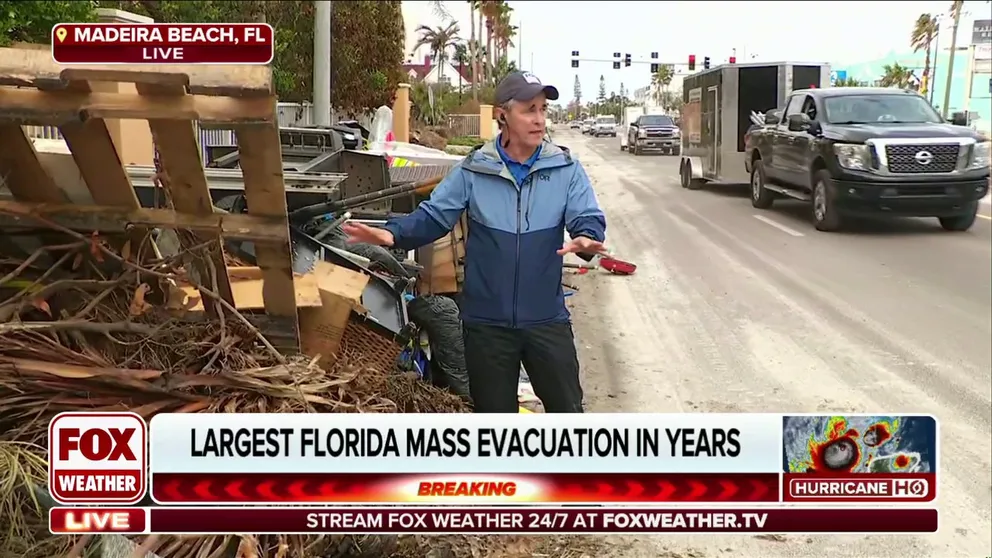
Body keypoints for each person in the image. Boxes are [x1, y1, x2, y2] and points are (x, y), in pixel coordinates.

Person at [343, 71, 607, 413]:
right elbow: (435, 215)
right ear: (503, 115)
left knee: (568, 413)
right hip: (486, 326)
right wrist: (394, 233)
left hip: (546, 321)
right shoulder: (475, 170)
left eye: (543, 109)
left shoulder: (565, 168)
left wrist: (587, 237)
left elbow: (585, 214)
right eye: (529, 109)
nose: (539, 119)